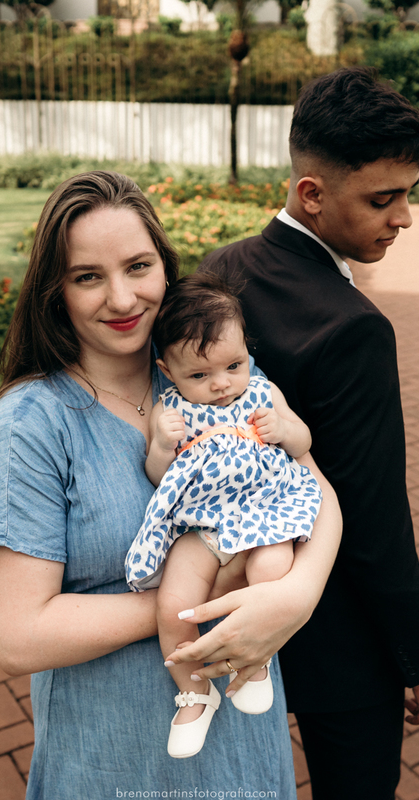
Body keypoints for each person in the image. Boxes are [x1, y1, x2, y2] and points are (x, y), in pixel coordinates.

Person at [0, 171, 342, 798]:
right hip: (115, 763)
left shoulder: (209, 370)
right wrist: (203, 601)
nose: (123, 298)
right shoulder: (31, 424)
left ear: (165, 266)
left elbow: (316, 490)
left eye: (138, 266)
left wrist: (293, 597)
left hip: (245, 758)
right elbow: (17, 635)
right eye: (87, 277)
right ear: (56, 293)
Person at [188, 67, 419, 798]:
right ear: (312, 192)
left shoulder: (220, 272)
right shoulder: (354, 329)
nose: (403, 217)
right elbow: (373, 519)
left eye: (407, 194)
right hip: (341, 639)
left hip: (220, 610)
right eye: (383, 198)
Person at [124, 273, 323, 758]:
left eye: (233, 365)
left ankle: (255, 662)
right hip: (202, 524)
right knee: (175, 606)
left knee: (272, 573)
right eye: (199, 375)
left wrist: (283, 429)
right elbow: (159, 477)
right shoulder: (169, 410)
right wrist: (162, 445)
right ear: (167, 372)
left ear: (246, 354)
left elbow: (304, 443)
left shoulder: (261, 392)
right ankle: (194, 692)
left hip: (263, 512)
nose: (220, 384)